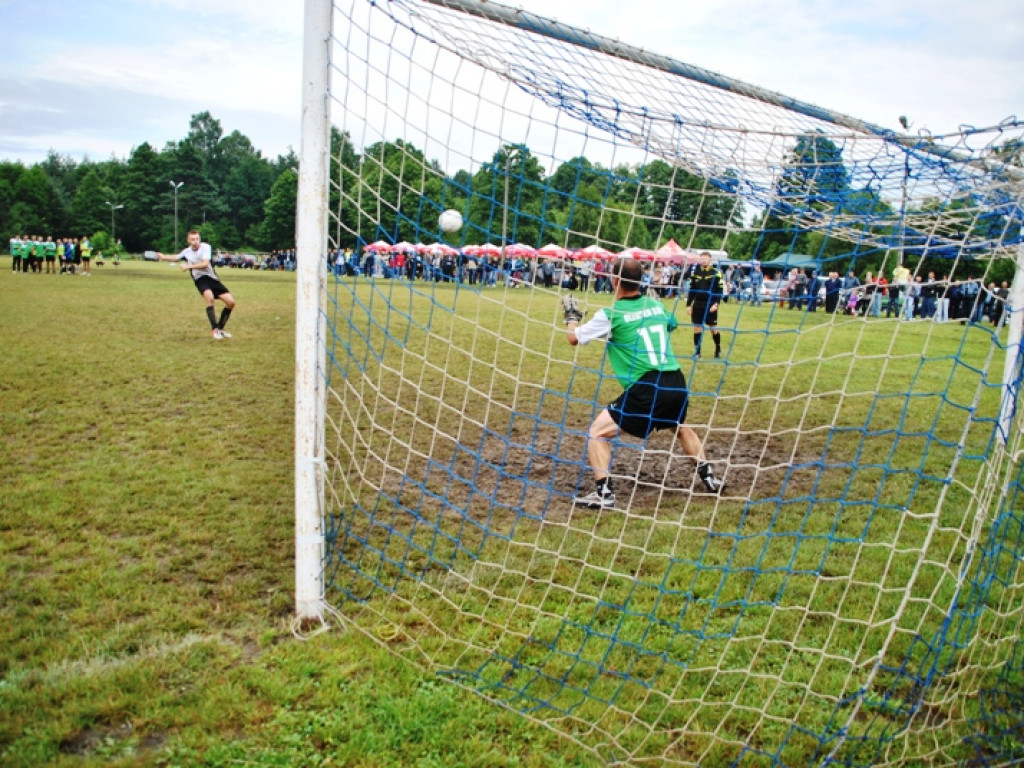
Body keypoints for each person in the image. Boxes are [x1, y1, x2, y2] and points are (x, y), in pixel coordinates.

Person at [561, 258, 723, 509]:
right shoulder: (656, 306)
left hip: (647, 386)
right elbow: (671, 324)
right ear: (641, 281)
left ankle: (604, 494)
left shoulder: (610, 314)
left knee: (597, 433)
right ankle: (709, 477)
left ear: (614, 280)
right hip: (676, 380)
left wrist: (571, 318)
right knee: (679, 426)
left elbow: (573, 339)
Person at [156, 230, 237, 340]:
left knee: (231, 302)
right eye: (192, 239)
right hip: (200, 279)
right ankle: (215, 330)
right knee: (210, 298)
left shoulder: (206, 247)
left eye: (197, 239)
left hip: (212, 278)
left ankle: (220, 329)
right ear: (188, 240)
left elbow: (205, 264)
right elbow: (176, 257)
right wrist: (163, 257)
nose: (195, 241)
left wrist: (187, 267)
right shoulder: (187, 251)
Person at [685, 251, 724, 358]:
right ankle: (697, 352)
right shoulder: (695, 273)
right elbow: (691, 290)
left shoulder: (716, 273)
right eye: (701, 258)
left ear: (710, 259)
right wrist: (688, 305)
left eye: (705, 258)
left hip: (710, 304)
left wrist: (716, 304)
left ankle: (718, 348)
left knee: (713, 329)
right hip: (698, 304)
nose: (703, 260)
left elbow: (720, 290)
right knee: (697, 328)